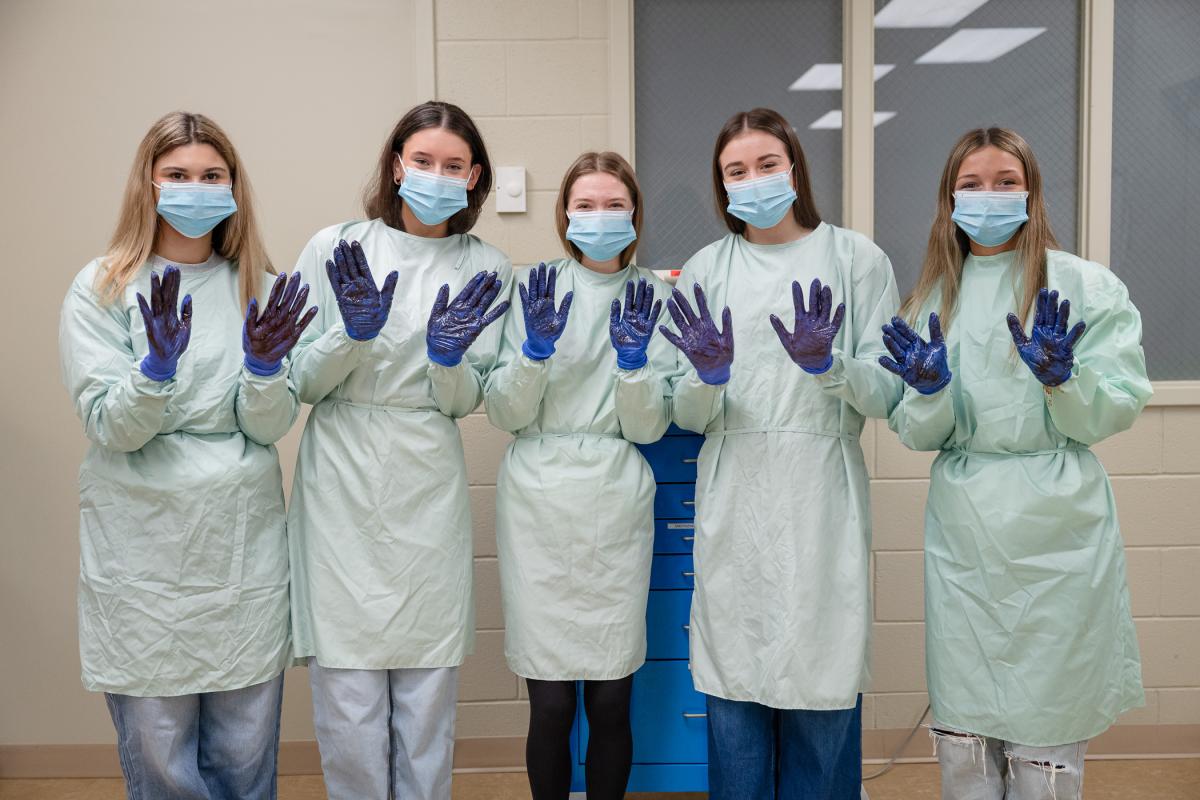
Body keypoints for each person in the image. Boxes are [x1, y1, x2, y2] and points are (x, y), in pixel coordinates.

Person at [882, 127, 1151, 800]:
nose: (990, 196)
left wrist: (1064, 381)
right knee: (968, 736)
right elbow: (916, 430)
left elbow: (1113, 408)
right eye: (972, 184)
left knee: (1046, 736)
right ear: (949, 199)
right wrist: (932, 391)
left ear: (1032, 192)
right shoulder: (930, 301)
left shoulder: (1082, 288)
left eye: (1006, 181)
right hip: (967, 530)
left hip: (1057, 527)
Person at [59, 111, 311, 799]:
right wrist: (154, 374)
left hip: (239, 547)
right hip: (142, 550)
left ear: (234, 186)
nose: (194, 188)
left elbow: (270, 427)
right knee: (163, 758)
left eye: (211, 175)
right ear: (148, 182)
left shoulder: (256, 282)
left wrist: (263, 371)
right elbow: (112, 426)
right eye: (177, 175)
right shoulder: (103, 287)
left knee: (243, 754)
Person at [660, 107, 901, 800]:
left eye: (767, 164)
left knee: (820, 690)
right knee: (736, 692)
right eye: (737, 170)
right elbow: (686, 410)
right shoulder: (708, 267)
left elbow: (886, 394)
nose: (754, 180)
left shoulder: (856, 260)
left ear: (795, 166)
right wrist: (706, 379)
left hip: (821, 495)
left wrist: (832, 366)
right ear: (721, 184)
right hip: (735, 493)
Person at [286, 100, 511, 800]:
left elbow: (463, 400)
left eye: (453, 165)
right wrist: (349, 333)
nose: (437, 176)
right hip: (343, 483)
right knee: (349, 700)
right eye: (423, 161)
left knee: (424, 699)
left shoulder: (486, 266)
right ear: (396, 164)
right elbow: (297, 379)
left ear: (474, 177)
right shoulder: (337, 250)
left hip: (425, 480)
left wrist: (447, 358)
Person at [485, 152, 674, 800]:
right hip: (538, 504)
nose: (599, 217)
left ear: (635, 213)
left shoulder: (656, 296)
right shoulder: (533, 290)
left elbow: (648, 428)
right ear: (565, 214)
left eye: (613, 204)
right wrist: (534, 353)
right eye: (585, 205)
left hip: (613, 500)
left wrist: (632, 365)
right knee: (552, 704)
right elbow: (507, 412)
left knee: (612, 699)